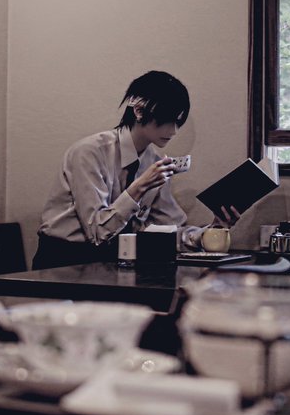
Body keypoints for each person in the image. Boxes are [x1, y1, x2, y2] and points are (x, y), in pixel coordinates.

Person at [32, 70, 240, 270]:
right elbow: (97, 232)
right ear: (139, 111)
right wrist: (139, 188)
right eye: (167, 120)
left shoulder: (153, 162)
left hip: (114, 260)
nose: (174, 131)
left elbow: (167, 229)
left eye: (178, 122)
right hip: (63, 259)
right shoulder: (89, 152)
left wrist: (210, 233)